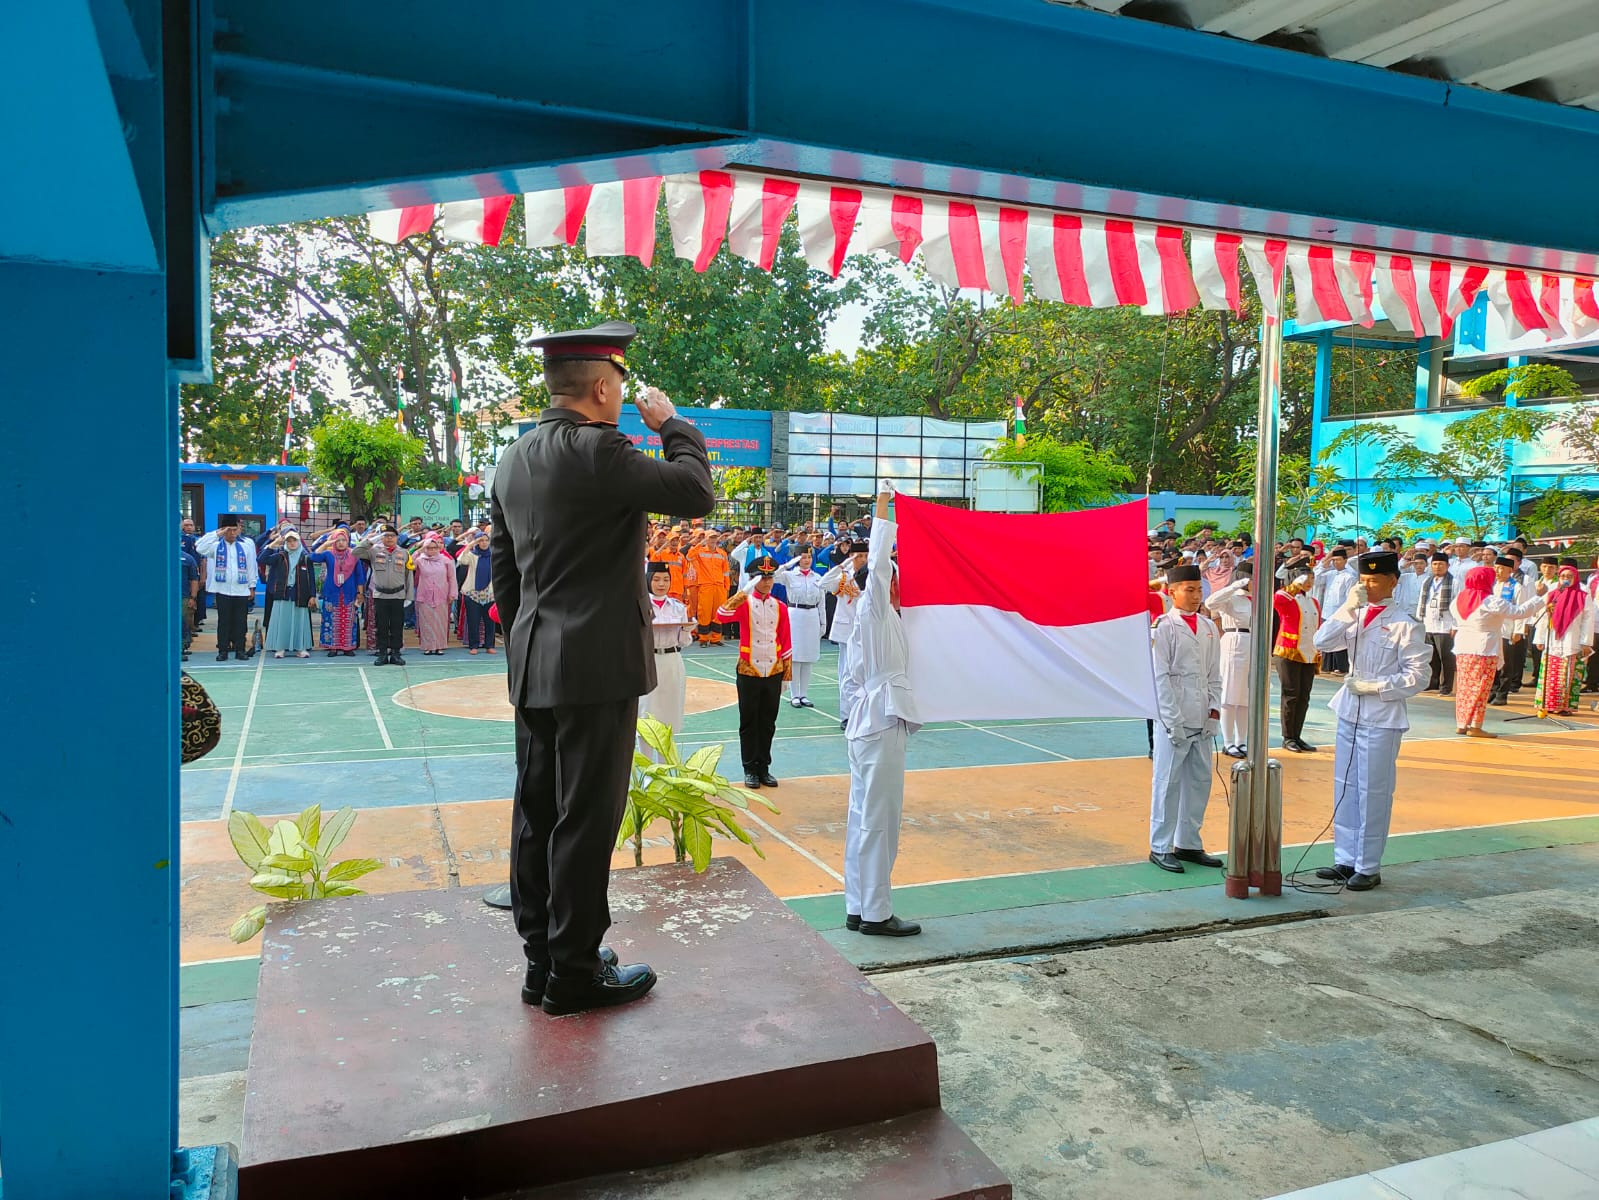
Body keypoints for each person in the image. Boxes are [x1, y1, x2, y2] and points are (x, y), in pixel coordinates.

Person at [490, 320, 713, 1016]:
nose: (621, 395)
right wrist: (673, 426)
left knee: (537, 813)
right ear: (600, 388)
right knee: (585, 819)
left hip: (534, 660)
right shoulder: (598, 448)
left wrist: (527, 643)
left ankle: (543, 960)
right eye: (618, 383)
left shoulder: (513, 456)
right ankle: (576, 972)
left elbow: (504, 572)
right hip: (595, 665)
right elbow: (693, 492)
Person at [1310, 550, 1430, 891]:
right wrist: (1347, 608)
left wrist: (1376, 686)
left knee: (1373, 790)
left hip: (1381, 714)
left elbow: (1419, 676)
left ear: (1393, 582)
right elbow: (1321, 642)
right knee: (1345, 785)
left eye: (1374, 581)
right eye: (1363, 580)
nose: (1367, 586)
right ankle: (1345, 859)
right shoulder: (1355, 614)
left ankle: (1368, 865)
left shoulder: (1406, 624)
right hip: (1350, 708)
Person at [840, 485, 921, 937]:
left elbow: (849, 683)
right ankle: (875, 912)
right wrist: (884, 509)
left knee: (862, 817)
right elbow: (877, 566)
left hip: (868, 721)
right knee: (879, 821)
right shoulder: (874, 613)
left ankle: (859, 906)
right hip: (881, 720)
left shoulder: (883, 622)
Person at [1147, 564, 1224, 874]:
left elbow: (1214, 674)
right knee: (1167, 783)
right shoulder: (1163, 627)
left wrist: (1214, 712)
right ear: (1172, 592)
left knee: (1199, 782)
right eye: (1189, 590)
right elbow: (1160, 676)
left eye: (1199, 590)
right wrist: (1171, 720)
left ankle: (1189, 842)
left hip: (1201, 716)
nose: (1196, 596)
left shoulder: (1208, 626)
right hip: (1174, 716)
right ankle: (1160, 846)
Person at [717, 555, 791, 789]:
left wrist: (786, 675)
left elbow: (786, 641)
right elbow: (721, 615)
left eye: (770, 578)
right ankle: (749, 768)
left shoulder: (780, 606)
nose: (767, 583)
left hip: (773, 670)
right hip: (749, 670)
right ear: (753, 580)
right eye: (762, 578)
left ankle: (764, 768)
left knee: (768, 723)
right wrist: (743, 592)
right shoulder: (744, 604)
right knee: (749, 722)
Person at [1447, 563, 1546, 736]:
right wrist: (1538, 596)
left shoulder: (1458, 600)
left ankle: (1462, 723)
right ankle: (1475, 726)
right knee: (1481, 688)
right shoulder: (1490, 601)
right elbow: (1519, 612)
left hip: (1463, 646)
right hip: (1484, 648)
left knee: (1464, 687)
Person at [1532, 563, 1596, 716]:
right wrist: (1540, 638)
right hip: (1552, 640)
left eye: (1569, 576)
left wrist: (1585, 642)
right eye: (1563, 576)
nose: (1566, 579)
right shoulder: (1553, 595)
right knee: (1550, 674)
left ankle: (1564, 707)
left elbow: (1588, 620)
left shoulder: (1583, 596)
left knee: (1568, 675)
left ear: (1575, 578)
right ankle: (1548, 704)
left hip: (1572, 641)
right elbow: (1544, 618)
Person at [1204, 563, 1254, 758]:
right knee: (1230, 697)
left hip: (1252, 643)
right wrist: (1234, 586)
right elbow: (1210, 603)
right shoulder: (1231, 598)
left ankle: (1241, 741)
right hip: (1234, 641)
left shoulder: (1256, 600)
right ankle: (1228, 741)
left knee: (1246, 698)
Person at [639, 562, 693, 736]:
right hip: (648, 660)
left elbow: (684, 643)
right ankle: (646, 754)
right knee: (646, 712)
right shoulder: (640, 606)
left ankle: (667, 754)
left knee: (671, 709)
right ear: (648, 580)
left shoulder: (678, 607)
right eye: (656, 579)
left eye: (666, 579)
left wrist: (686, 630)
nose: (661, 584)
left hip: (672, 660)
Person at [195, 515, 258, 661]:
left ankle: (240, 649)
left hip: (241, 590)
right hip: (222, 589)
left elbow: (251, 566)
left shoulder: (246, 545)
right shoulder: (215, 546)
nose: (233, 533)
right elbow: (199, 547)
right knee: (224, 621)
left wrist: (252, 586)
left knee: (240, 621)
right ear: (223, 530)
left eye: (235, 529)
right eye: (229, 530)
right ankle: (223, 650)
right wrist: (217, 534)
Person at [1272, 567, 1321, 752]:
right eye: (1305, 579)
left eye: (1312, 578)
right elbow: (1277, 599)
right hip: (1289, 651)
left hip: (1309, 652)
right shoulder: (1286, 597)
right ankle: (1288, 737)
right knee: (1291, 695)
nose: (1309, 582)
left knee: (1304, 696)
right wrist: (1294, 586)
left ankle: (1297, 735)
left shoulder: (1314, 601)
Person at [823, 540, 870, 724]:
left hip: (866, 630)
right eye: (859, 556)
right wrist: (843, 565)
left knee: (864, 674)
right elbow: (823, 583)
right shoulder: (843, 576)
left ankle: (862, 713)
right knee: (847, 673)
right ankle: (847, 715)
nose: (863, 559)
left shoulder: (871, 575)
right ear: (851, 556)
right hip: (846, 630)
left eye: (865, 556)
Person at [774, 544, 825, 708]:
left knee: (808, 658)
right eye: (803, 557)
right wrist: (787, 565)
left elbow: (822, 602)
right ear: (797, 559)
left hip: (812, 615)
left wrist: (823, 622)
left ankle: (804, 694)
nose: (807, 560)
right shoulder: (789, 575)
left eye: (809, 557)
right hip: (795, 615)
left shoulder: (817, 577)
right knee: (795, 657)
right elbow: (773, 576)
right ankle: (794, 694)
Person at [353, 525, 412, 666]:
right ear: (381, 537)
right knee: (381, 626)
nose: (389, 538)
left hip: (398, 595)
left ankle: (396, 654)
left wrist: (409, 596)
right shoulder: (374, 551)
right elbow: (355, 552)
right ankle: (382, 654)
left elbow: (408, 575)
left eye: (392, 536)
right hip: (380, 595)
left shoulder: (404, 553)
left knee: (397, 626)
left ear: (397, 538)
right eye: (386, 535)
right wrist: (372, 540)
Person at [259, 529, 317, 659]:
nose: (292, 543)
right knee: (282, 621)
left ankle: (300, 648)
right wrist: (273, 543)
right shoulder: (280, 556)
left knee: (300, 621)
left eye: (294, 540)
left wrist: (313, 595)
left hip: (300, 593)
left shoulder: (305, 557)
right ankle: (280, 648)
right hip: (283, 593)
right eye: (289, 541)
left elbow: (311, 577)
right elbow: (262, 558)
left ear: (299, 541)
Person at [1487, 551, 1536, 706]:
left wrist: (1518, 631)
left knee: (1506, 664)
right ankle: (1493, 690)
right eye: (1496, 568)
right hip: (1492, 630)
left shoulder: (1517, 587)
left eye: (1502, 568)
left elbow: (1521, 610)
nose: (1498, 571)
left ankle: (1502, 693)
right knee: (1493, 661)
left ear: (1510, 570)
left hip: (1508, 630)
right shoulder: (1491, 585)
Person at [309, 527, 366, 656]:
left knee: (348, 620)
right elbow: (313, 557)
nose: (341, 543)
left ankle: (347, 647)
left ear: (347, 541)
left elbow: (359, 576)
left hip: (349, 593)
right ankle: (332, 647)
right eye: (338, 540)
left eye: (343, 540)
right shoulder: (329, 554)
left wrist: (360, 593)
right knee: (331, 620)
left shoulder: (354, 555)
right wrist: (326, 544)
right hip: (332, 592)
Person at [1311, 547, 1357, 674]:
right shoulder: (1330, 574)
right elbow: (1316, 578)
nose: (1336, 562)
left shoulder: (1350, 576)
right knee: (1326, 636)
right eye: (1334, 560)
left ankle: (1342, 667)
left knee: (1339, 638)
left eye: (1338, 560)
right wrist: (1326, 560)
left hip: (1340, 612)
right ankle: (1327, 666)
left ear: (1345, 560)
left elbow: (1349, 597)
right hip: (1327, 611)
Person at [412, 533, 458, 655]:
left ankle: (440, 646)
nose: (432, 550)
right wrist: (419, 550)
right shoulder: (420, 560)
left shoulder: (446, 560)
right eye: (429, 548)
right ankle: (428, 646)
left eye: (434, 548)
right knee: (426, 622)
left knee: (440, 622)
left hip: (442, 595)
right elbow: (410, 565)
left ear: (438, 548)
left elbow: (452, 578)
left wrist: (452, 594)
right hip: (424, 595)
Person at [456, 528, 497, 654]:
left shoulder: (494, 555)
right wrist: (471, 544)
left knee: (489, 621)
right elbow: (461, 560)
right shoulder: (472, 555)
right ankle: (474, 645)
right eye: (481, 540)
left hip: (490, 593)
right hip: (473, 593)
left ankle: (489, 645)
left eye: (486, 540)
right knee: (473, 621)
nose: (484, 543)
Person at [686, 532, 730, 644]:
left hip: (720, 586)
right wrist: (700, 544)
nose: (713, 540)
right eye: (711, 538)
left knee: (718, 613)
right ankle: (704, 638)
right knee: (704, 613)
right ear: (706, 539)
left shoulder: (722, 553)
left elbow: (726, 572)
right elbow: (689, 556)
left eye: (715, 537)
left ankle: (716, 638)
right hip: (705, 586)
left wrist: (726, 587)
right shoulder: (700, 551)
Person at [179, 543, 199, 662]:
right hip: (164, 597)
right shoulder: (161, 556)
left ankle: (181, 647)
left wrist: (193, 597)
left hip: (183, 596)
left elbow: (194, 579)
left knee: (182, 621)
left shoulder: (188, 558)